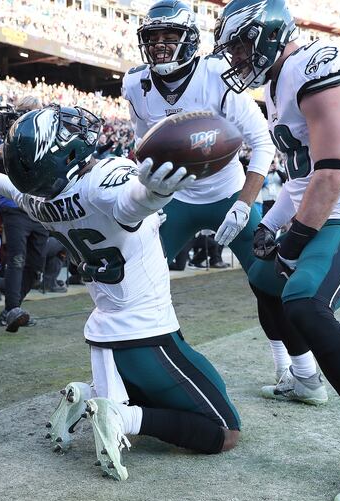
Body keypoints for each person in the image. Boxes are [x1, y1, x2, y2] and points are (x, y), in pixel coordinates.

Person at [0, 104, 240, 482]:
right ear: (61, 154)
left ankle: (86, 395)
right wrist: (154, 196)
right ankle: (121, 416)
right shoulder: (101, 182)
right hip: (147, 334)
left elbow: (9, 187)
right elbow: (130, 205)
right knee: (225, 430)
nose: (75, 130)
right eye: (64, 134)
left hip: (106, 334)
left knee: (183, 390)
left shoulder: (40, 202)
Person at [212, 1, 340, 501]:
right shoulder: (278, 82)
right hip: (319, 202)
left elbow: (331, 176)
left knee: (304, 301)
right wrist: (267, 222)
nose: (237, 57)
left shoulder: (316, 67)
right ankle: (306, 380)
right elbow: (302, 177)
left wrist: (293, 240)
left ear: (268, 35)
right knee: (265, 281)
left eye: (241, 45)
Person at [123, 0, 293, 381]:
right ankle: (159, 362)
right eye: (154, 37)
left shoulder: (216, 73)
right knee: (136, 276)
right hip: (173, 199)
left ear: (189, 39)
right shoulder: (136, 83)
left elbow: (263, 144)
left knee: (267, 281)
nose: (161, 45)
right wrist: (145, 193)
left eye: (171, 36)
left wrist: (243, 205)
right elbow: (142, 144)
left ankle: (294, 367)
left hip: (228, 192)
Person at [0, 96, 48, 331]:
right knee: (17, 259)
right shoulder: (8, 136)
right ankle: (12, 309)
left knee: (36, 265)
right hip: (15, 205)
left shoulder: (44, 136)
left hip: (37, 206)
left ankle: (11, 309)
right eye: (28, 111)